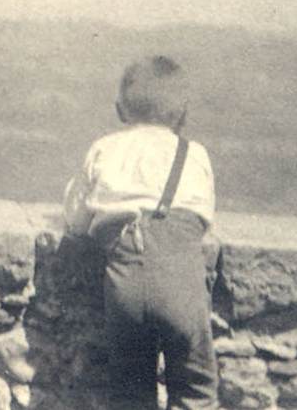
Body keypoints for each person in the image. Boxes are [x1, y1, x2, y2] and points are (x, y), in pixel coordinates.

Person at [63, 56, 217, 410]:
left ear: (120, 110)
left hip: (125, 285)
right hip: (183, 283)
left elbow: (76, 222)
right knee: (196, 389)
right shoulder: (194, 154)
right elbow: (205, 226)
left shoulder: (104, 149)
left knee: (130, 392)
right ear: (183, 114)